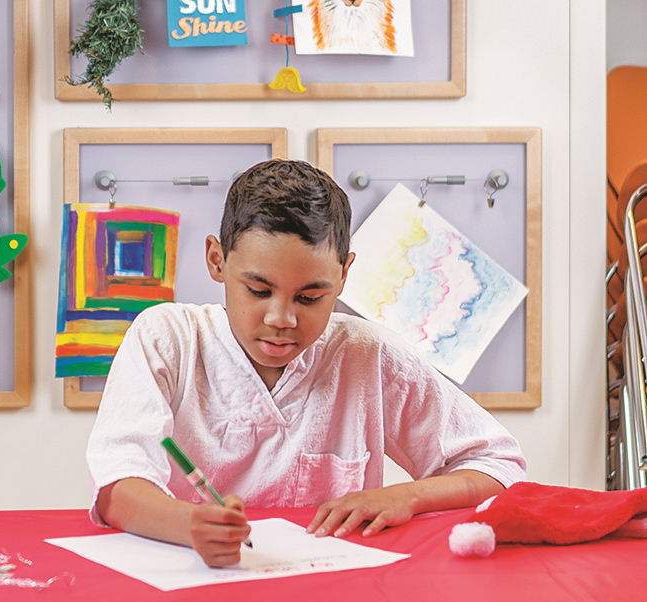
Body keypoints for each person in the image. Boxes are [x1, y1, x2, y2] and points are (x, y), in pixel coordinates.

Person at [86, 159, 527, 567]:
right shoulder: (168, 338)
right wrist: (189, 525)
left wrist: (406, 495)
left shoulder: (366, 353)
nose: (281, 319)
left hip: (333, 593)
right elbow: (116, 487)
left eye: (310, 297)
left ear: (344, 274)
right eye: (258, 291)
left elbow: (499, 465)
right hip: (196, 580)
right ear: (217, 260)